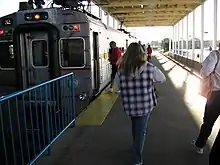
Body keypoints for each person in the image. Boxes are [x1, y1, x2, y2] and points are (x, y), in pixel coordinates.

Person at [117, 42, 166, 165]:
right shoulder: (149, 67)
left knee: (136, 127)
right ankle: (137, 159)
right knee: (141, 131)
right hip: (145, 106)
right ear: (142, 53)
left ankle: (135, 146)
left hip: (130, 106)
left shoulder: (121, 69)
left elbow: (118, 85)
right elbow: (162, 79)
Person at [192, 50, 220, 155]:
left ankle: (200, 146)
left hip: (215, 95)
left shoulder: (216, 55)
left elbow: (205, 72)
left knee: (208, 122)